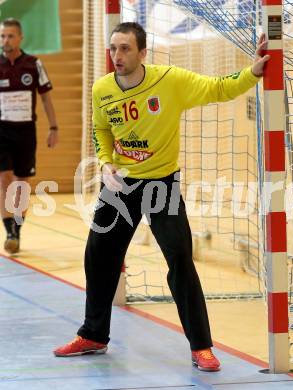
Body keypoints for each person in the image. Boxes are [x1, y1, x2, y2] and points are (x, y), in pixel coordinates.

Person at [54, 22, 269, 371]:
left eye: (125, 48)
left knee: (181, 259)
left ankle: (201, 347)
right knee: (98, 257)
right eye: (113, 48)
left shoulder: (169, 81)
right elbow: (101, 129)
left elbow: (218, 88)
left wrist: (253, 72)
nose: (116, 56)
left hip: (161, 187)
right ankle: (93, 334)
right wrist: (106, 164)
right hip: (120, 187)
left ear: (142, 53)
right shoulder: (102, 89)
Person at [0, 18, 58, 254]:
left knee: (22, 183)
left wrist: (54, 128)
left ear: (20, 38)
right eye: (3, 36)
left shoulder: (33, 64)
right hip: (1, 130)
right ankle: (10, 231)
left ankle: (18, 229)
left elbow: (45, 98)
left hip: (26, 132)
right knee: (4, 179)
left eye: (10, 36)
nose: (6, 40)